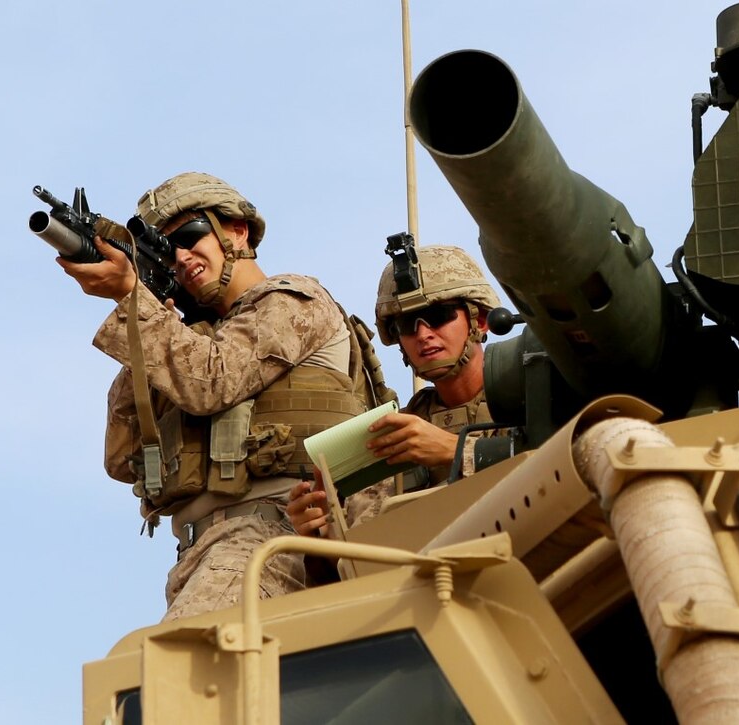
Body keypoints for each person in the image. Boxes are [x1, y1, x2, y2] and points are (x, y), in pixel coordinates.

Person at [57, 171, 376, 620]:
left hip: (270, 534)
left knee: (174, 671)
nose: (183, 258)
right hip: (200, 553)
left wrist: (134, 299)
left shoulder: (293, 300)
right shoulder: (190, 337)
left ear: (236, 230)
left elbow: (214, 382)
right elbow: (123, 457)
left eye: (190, 236)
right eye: (168, 253)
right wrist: (146, 310)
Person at [287, 244, 503, 539]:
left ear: (479, 320)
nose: (424, 334)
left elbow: (572, 461)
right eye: (407, 324)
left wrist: (453, 452)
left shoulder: (533, 396)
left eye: (439, 315)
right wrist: (318, 533)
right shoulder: (390, 439)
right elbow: (358, 563)